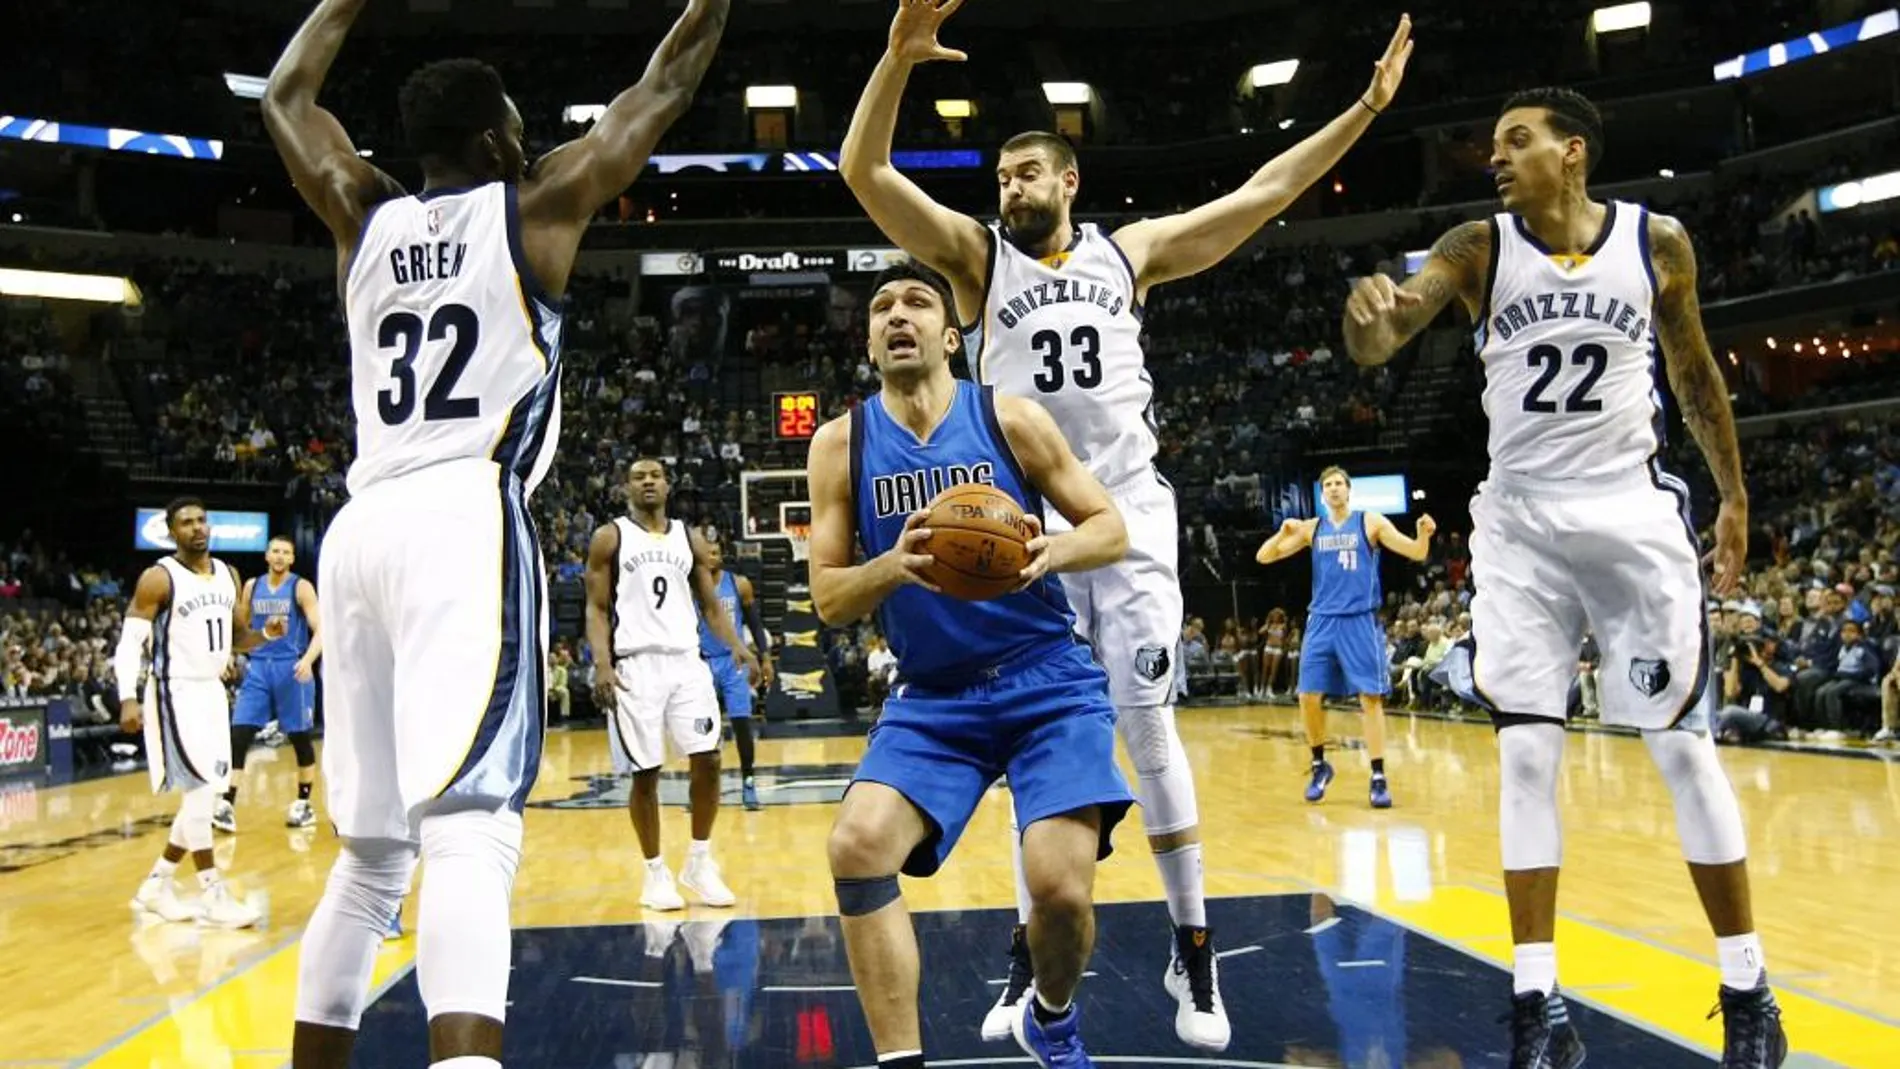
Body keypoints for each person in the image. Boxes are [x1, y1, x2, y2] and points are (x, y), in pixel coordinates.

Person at [838, 0, 1413, 1047]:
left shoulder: (1129, 253)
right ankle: (1030, 953)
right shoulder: (973, 263)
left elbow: (1265, 190)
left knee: (1145, 729)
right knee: (1033, 740)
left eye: (1026, 175)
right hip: (1015, 530)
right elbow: (865, 176)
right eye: (1000, 178)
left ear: (1068, 182)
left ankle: (1192, 953)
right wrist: (892, 62)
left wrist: (1365, 109)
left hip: (1128, 514)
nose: (1008, 189)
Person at [261, 0, 731, 1064]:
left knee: (373, 850)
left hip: (360, 523)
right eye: (517, 127)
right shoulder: (534, 206)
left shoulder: (357, 212)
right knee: (471, 823)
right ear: (491, 143)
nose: (528, 141)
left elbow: (287, 96)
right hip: (460, 516)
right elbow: (659, 91)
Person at [1343, 86, 1786, 1067]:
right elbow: (1390, 331)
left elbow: (1694, 370)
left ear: (1571, 150)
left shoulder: (1657, 241)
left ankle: (1749, 987)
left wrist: (1735, 494)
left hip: (1633, 518)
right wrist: (1368, 315)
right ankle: (1536, 1001)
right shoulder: (1478, 246)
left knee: (1681, 751)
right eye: (1491, 144)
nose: (1493, 157)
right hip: (1522, 530)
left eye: (1514, 140)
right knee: (1528, 757)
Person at [808, 260, 1133, 1069]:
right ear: (872, 343)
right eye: (881, 307)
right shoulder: (839, 445)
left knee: (1058, 888)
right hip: (934, 695)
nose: (896, 315)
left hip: (1045, 677)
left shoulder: (1010, 418)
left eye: (916, 302)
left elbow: (1111, 527)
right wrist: (895, 565)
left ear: (952, 336)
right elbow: (828, 598)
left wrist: (1049, 550)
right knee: (856, 844)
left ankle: (1052, 1015)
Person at [586, 459, 760, 911]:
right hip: (635, 666)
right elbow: (597, 608)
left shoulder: (690, 537)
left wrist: (739, 646)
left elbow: (711, 606)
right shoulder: (610, 537)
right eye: (638, 476)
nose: (647, 481)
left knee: (709, 759)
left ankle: (699, 862)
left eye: (655, 475)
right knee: (646, 773)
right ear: (626, 486)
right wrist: (602, 664)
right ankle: (654, 873)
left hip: (687, 662)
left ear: (668, 485)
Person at [119, 497, 283, 930]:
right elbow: (128, 642)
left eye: (201, 520)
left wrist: (264, 634)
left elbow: (236, 638)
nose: (197, 528)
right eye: (186, 523)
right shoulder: (159, 578)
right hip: (174, 693)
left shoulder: (229, 574)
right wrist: (127, 697)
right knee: (198, 793)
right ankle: (213, 894)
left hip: (212, 693)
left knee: (207, 794)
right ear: (172, 532)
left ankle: (156, 885)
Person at [1255, 467, 1436, 808]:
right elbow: (1264, 556)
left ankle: (1379, 775)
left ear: (1349, 491)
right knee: (1307, 696)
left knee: (1370, 699)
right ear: (1323, 494)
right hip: (1321, 620)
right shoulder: (1313, 528)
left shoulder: (1370, 522)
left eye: (1339, 483)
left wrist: (1423, 534)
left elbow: (1416, 552)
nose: (1334, 488)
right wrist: (1281, 532)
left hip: (1359, 620)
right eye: (1328, 485)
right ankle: (1319, 764)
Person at [220, 535, 323, 833]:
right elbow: (239, 627)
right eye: (275, 551)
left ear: (292, 558)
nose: (279, 556)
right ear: (266, 555)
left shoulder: (301, 587)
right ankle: (227, 803)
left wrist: (308, 659)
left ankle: (304, 804)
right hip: (258, 668)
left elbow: (321, 628)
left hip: (292, 668)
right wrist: (229, 654)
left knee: (300, 738)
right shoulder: (252, 586)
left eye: (285, 552)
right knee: (239, 733)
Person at [698, 539, 775, 810]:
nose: (712, 557)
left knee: (742, 724)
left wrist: (764, 657)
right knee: (703, 731)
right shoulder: (690, 587)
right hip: (703, 662)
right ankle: (704, 788)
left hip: (734, 662)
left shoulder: (738, 584)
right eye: (707, 553)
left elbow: (754, 622)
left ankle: (748, 782)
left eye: (716, 552)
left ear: (722, 556)